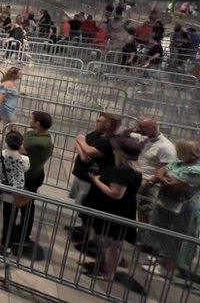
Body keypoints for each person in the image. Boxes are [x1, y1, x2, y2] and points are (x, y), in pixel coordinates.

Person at [79, 137, 142, 281]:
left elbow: (116, 194)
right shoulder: (134, 168)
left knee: (111, 243)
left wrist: (96, 180)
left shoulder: (122, 171)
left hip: (114, 210)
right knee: (108, 242)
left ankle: (108, 272)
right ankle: (103, 264)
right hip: (121, 209)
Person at [143, 139, 200, 278]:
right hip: (165, 203)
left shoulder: (196, 170)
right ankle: (163, 258)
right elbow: (161, 170)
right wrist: (162, 176)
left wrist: (160, 178)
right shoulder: (179, 163)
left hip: (181, 208)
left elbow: (175, 184)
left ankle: (167, 269)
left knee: (173, 238)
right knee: (160, 231)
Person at [11, 111, 54, 256]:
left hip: (30, 176)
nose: (29, 120)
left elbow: (19, 147)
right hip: (30, 173)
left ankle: (24, 230)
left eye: (32, 119)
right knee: (24, 202)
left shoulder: (38, 142)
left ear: (38, 123)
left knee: (25, 205)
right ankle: (22, 227)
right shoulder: (41, 136)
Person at [0, 130, 30, 251]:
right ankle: (6, 242)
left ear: (6, 142)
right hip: (12, 190)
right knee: (10, 216)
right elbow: (25, 169)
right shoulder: (24, 159)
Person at [122, 118, 176, 223]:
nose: (139, 129)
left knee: (146, 212)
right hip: (136, 179)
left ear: (154, 128)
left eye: (142, 127)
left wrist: (148, 183)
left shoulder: (166, 147)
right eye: (138, 126)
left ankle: (144, 236)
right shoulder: (143, 137)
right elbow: (124, 135)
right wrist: (133, 129)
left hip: (150, 184)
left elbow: (164, 169)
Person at [70, 113, 122, 206]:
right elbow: (79, 143)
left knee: (84, 205)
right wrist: (82, 154)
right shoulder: (97, 133)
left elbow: (88, 150)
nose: (96, 122)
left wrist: (81, 140)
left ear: (107, 125)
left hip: (91, 179)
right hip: (81, 174)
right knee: (78, 203)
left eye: (99, 121)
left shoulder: (110, 141)